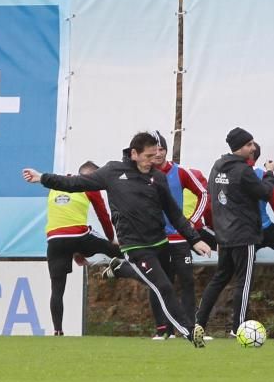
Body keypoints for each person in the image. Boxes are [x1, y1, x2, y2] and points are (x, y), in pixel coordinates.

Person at [23, 131, 214, 348]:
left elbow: (173, 213)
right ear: (134, 153)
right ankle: (190, 333)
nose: (154, 161)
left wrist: (194, 239)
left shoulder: (157, 177)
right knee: (163, 287)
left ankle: (123, 271)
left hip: (160, 244)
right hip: (135, 246)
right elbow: (76, 183)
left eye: (156, 155)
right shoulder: (113, 172)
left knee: (164, 284)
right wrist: (42, 178)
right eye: (149, 156)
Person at [195, 128, 274, 339]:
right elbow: (265, 193)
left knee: (219, 279)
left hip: (223, 234)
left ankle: (199, 324)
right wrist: (269, 173)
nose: (253, 148)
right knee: (244, 281)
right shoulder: (243, 171)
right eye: (250, 144)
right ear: (240, 147)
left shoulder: (217, 166)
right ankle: (238, 329)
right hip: (243, 235)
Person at [44, 160, 119, 336]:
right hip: (78, 236)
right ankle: (138, 262)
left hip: (55, 239)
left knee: (57, 288)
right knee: (115, 249)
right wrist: (111, 240)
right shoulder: (90, 186)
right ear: (92, 176)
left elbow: (63, 217)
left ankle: (57, 330)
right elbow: (103, 216)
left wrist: (75, 251)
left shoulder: (55, 185)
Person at [146, 131, 208, 340]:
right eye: (154, 150)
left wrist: (191, 223)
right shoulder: (142, 174)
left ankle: (190, 329)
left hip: (179, 239)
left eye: (162, 149)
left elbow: (204, 193)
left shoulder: (179, 172)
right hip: (155, 240)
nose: (158, 153)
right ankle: (163, 330)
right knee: (161, 284)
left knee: (187, 282)